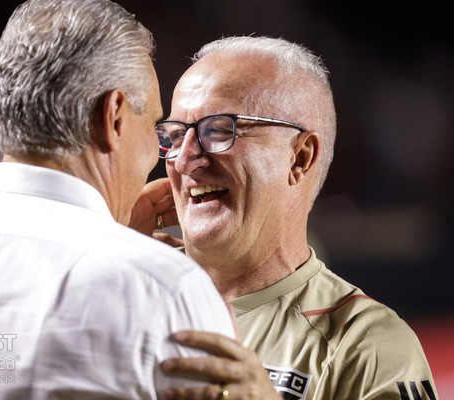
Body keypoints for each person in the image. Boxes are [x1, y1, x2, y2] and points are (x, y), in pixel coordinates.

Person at [0, 0, 236, 398]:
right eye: (155, 125)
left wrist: (111, 237)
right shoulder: (166, 287)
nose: (160, 151)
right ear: (115, 116)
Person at [143, 36, 438, 399]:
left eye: (218, 130)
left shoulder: (364, 345)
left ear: (299, 158)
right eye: (174, 136)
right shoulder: (123, 289)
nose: (184, 159)